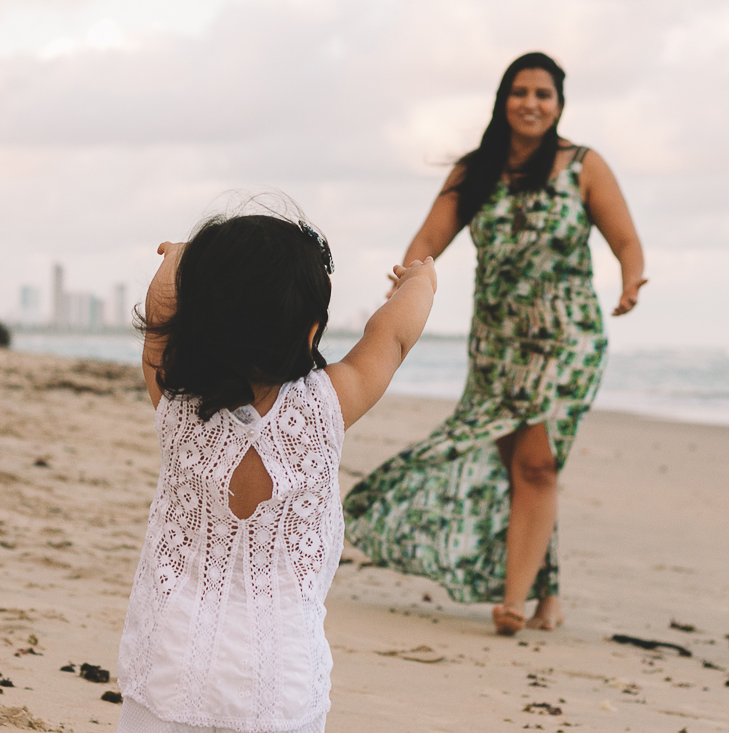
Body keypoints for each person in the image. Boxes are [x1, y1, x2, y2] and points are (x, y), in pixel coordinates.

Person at [343, 52, 646, 636]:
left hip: (568, 340)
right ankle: (547, 595)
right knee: (528, 469)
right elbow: (427, 242)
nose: (531, 103)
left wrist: (632, 280)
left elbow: (625, 239)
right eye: (520, 91)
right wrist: (409, 279)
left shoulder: (583, 166)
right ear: (503, 100)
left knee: (537, 462)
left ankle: (511, 602)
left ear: (558, 105)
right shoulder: (475, 172)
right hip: (498, 344)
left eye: (543, 94)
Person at [116, 209, 436, 733]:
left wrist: (176, 261)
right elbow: (393, 335)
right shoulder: (329, 404)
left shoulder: (173, 399)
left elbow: (159, 313)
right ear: (311, 330)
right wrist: (419, 283)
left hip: (168, 665)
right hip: (279, 682)